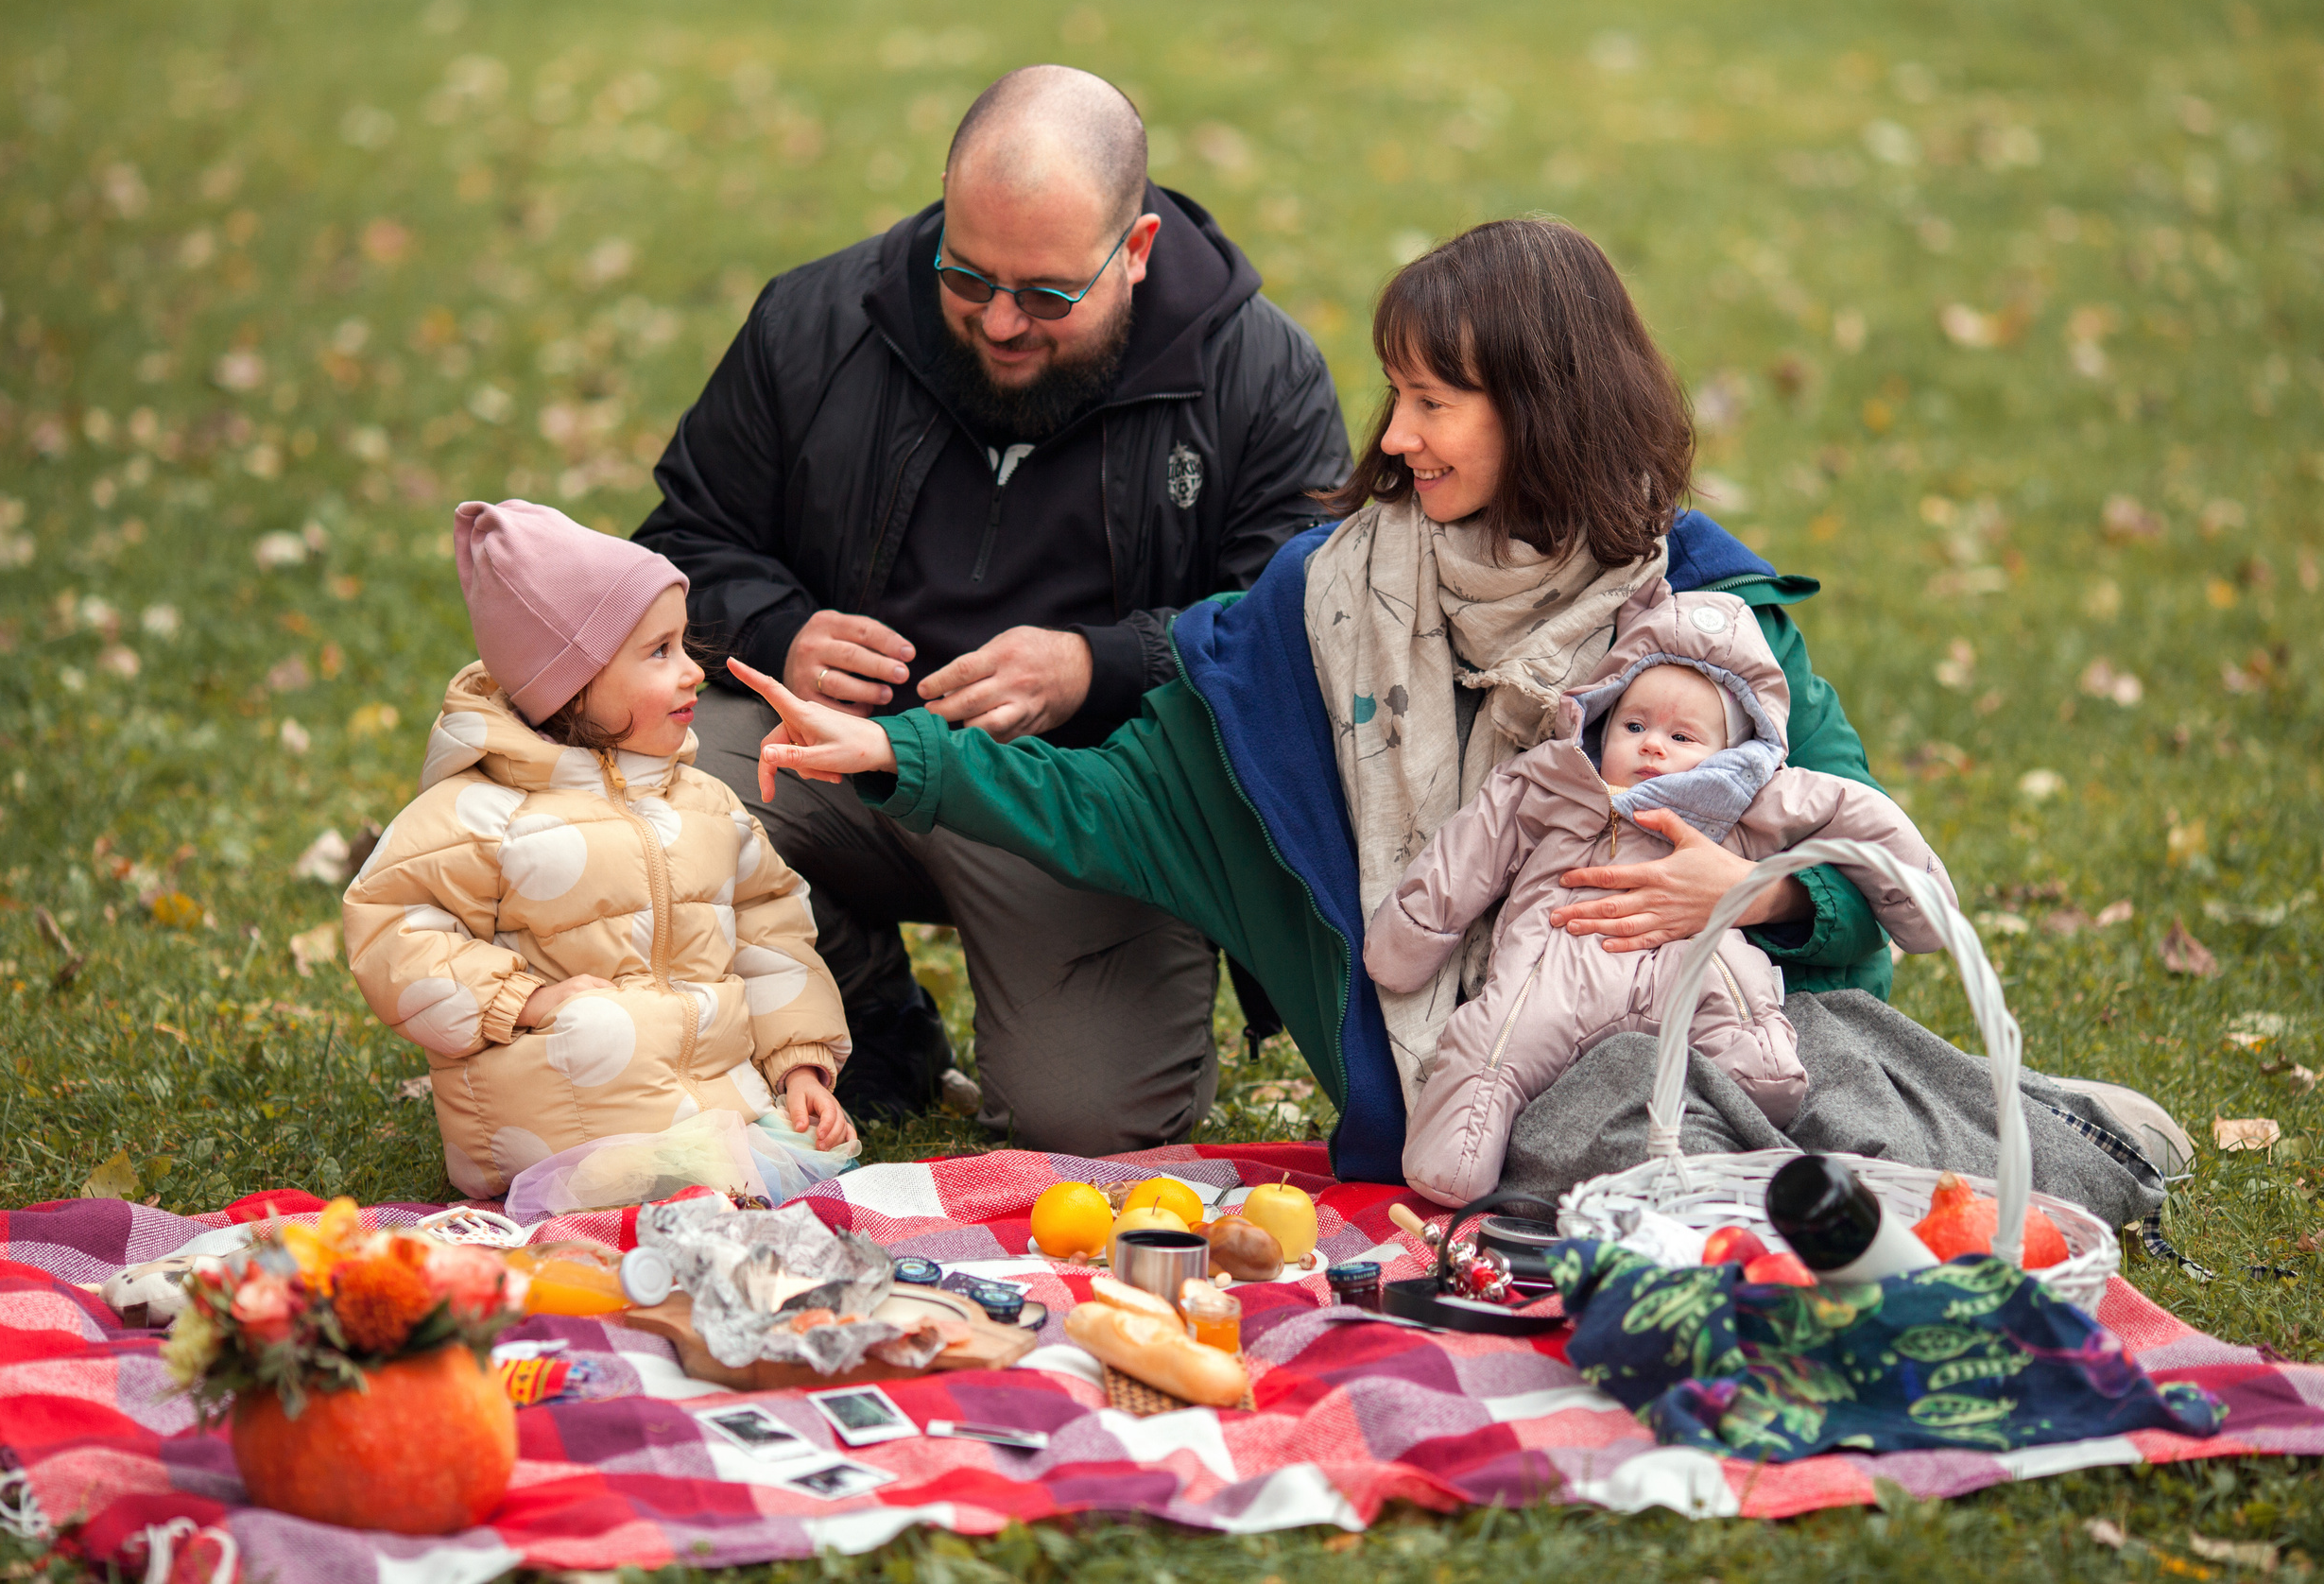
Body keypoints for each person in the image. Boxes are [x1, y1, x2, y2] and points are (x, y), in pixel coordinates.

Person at [728, 216, 2178, 1228]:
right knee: (1606, 1146)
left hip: (1690, 1023)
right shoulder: (1316, 608)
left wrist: (1744, 887)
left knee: (1797, 1079)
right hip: (1463, 1089)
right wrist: (902, 756)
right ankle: (1940, 1166)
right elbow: (1126, 801)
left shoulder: (1712, 617)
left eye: (1434, 399)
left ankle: (2046, 1139)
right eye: (1398, 393)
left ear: (1543, 407)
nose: (1399, 434)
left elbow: (1868, 892)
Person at [632, 64, 1351, 1147]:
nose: (1001, 322)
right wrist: (784, 627)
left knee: (1093, 1115)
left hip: (1082, 801)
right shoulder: (816, 321)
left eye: (1047, 295)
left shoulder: (1257, 375)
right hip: (830, 754)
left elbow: (1296, 633)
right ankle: (865, 1011)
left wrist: (1096, 666)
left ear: (1138, 251)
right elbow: (680, 545)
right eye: (966, 279)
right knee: (632, 789)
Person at [1367, 581, 1959, 1206]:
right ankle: (1458, 1160)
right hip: (1560, 964)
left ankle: (1754, 1080)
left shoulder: (1750, 799)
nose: (1652, 744)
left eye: (1682, 738)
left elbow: (1857, 814)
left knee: (1745, 1022)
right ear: (1602, 717)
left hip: (1692, 961)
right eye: (1635, 724)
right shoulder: (1560, 783)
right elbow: (1475, 844)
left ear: (1731, 752)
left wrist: (1916, 898)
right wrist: (1413, 927)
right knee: (1495, 1042)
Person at [344, 499, 854, 1203]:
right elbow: (391, 928)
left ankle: (717, 1168)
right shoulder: (485, 812)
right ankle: (643, 1187)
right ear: (571, 682)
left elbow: (773, 936)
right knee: (603, 1035)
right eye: (659, 652)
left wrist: (799, 1063)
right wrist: (522, 999)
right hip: (559, 1131)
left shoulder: (706, 805)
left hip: (717, 1108)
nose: (693, 672)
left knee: (808, 1170)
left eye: (683, 644)